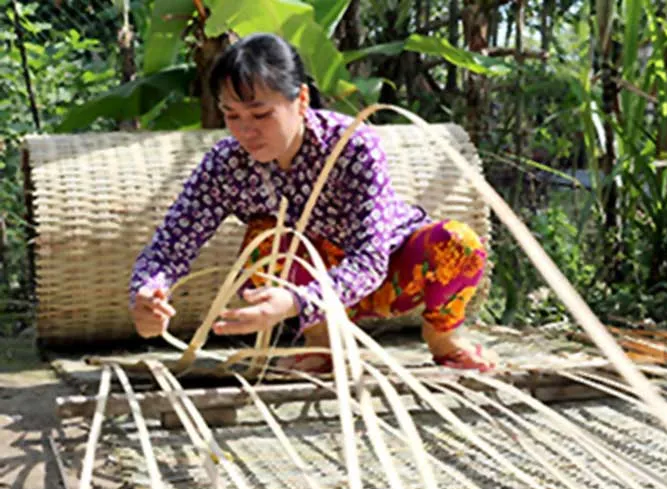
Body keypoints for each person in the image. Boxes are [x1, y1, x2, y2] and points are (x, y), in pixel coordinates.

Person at [128, 32, 498, 373]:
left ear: (300, 100)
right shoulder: (227, 164)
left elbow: (370, 260)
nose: (245, 130)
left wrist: (296, 302)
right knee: (268, 236)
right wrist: (147, 291)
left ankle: (444, 338)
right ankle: (320, 344)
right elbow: (170, 245)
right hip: (305, 288)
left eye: (260, 114)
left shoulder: (352, 146)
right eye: (231, 115)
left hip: (388, 276)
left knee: (458, 244)